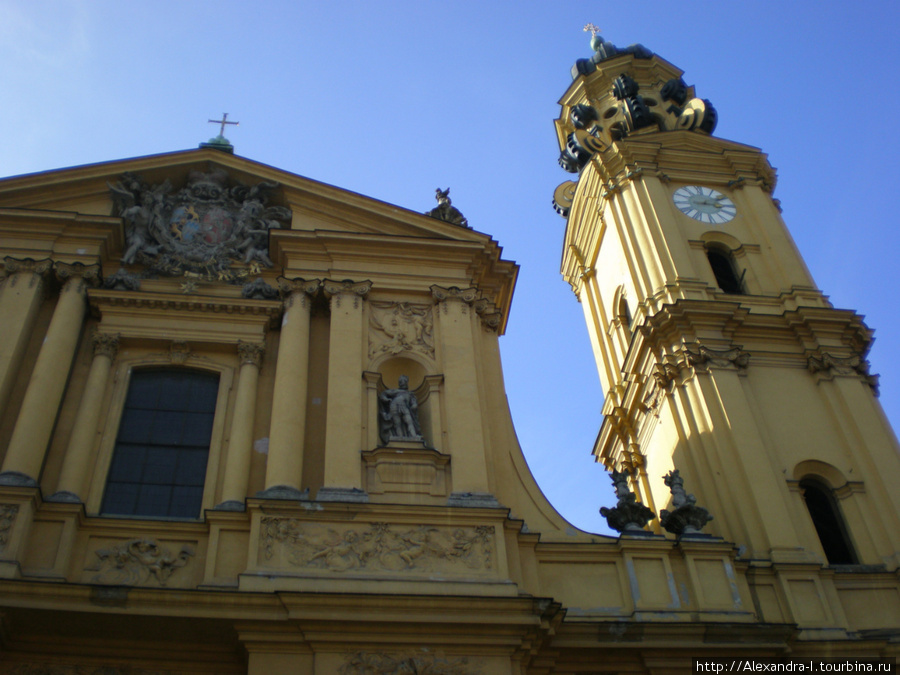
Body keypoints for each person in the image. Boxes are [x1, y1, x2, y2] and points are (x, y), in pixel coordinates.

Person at [379, 375, 422, 443]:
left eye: (404, 381)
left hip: (404, 406)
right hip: (394, 405)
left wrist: (414, 405)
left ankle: (413, 436)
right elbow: (383, 394)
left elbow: (414, 402)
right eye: (401, 381)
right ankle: (400, 437)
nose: (402, 383)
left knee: (409, 420)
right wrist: (386, 399)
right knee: (397, 422)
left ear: (406, 382)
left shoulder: (410, 394)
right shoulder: (395, 391)